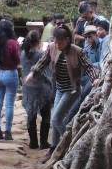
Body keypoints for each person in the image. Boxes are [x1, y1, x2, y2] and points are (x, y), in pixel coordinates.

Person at [26, 24, 97, 154]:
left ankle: (70, 145)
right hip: (59, 88)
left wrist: (95, 79)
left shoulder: (77, 51)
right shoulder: (52, 48)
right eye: (55, 42)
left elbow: (89, 67)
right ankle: (54, 149)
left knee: (56, 119)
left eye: (60, 42)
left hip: (72, 90)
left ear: (67, 40)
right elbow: (43, 61)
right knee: (56, 119)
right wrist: (33, 73)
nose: (57, 45)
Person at [21, 30, 53, 149]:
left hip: (28, 89)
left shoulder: (23, 54)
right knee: (46, 115)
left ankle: (33, 142)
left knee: (31, 115)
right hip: (42, 89)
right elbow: (47, 72)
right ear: (39, 41)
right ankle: (44, 142)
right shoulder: (41, 55)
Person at [0, 18, 21, 141]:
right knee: (9, 104)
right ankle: (8, 132)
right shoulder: (13, 43)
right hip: (11, 73)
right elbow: (18, 60)